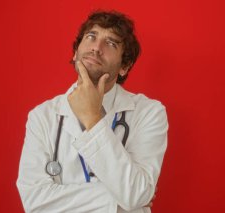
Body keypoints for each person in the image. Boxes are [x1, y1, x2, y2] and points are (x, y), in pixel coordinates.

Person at [17, 10, 168, 213]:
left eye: (111, 43)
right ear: (75, 52)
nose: (97, 48)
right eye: (91, 37)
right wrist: (119, 202)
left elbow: (136, 194)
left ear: (125, 66)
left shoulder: (149, 113)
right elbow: (34, 202)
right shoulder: (42, 116)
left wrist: (92, 118)